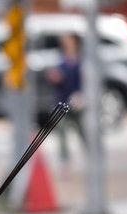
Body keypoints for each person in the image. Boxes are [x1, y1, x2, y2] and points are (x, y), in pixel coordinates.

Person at [45, 33, 84, 172]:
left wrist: (82, 95)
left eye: (68, 40)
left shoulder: (82, 58)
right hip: (62, 102)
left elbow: (85, 80)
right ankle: (65, 161)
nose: (66, 42)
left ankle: (91, 156)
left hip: (78, 102)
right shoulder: (60, 57)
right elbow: (57, 79)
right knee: (61, 130)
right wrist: (55, 77)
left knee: (83, 131)